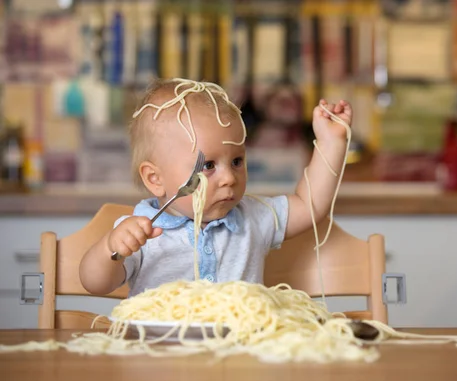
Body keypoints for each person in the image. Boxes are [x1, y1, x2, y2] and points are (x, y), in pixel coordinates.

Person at [79, 78, 352, 297]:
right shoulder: (139, 232)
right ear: (155, 179)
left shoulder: (254, 218)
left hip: (240, 353)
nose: (229, 178)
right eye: (208, 165)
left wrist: (331, 143)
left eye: (236, 161)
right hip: (159, 355)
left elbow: (309, 205)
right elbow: (95, 283)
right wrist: (110, 250)